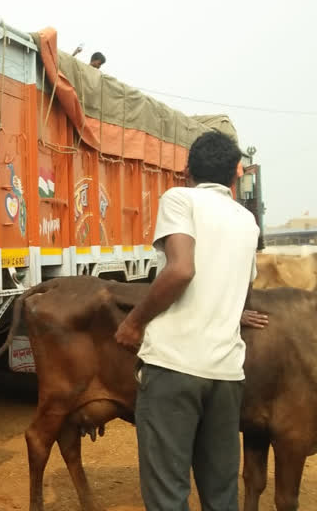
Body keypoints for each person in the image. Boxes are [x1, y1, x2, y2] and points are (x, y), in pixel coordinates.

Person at [115, 131, 259, 511]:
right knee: (222, 493)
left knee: (168, 494)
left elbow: (181, 270)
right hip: (227, 375)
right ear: (235, 174)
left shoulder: (180, 199)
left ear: (186, 171)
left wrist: (134, 322)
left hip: (174, 368)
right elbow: (238, 284)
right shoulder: (247, 221)